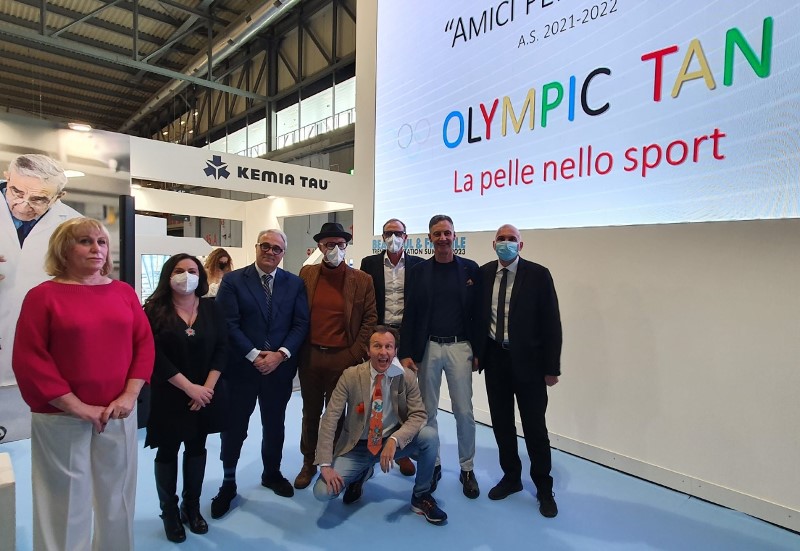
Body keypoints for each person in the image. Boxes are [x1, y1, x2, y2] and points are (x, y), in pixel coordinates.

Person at [12, 217, 154, 551]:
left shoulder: (123, 292)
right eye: (85, 241)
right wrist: (77, 406)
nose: (96, 249)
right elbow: (30, 359)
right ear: (64, 249)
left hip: (118, 412)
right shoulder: (42, 296)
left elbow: (144, 344)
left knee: (117, 497)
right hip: (61, 416)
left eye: (101, 242)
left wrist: (129, 395)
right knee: (63, 500)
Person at [210, 229, 309, 517]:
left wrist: (280, 355)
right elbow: (228, 323)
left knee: (275, 425)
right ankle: (228, 483)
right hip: (241, 369)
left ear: (283, 253)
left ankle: (271, 473)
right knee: (234, 428)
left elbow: (300, 324)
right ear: (256, 247)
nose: (270, 252)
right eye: (265, 246)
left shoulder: (294, 283)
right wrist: (255, 355)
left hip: (278, 369)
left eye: (277, 248)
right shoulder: (233, 281)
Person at [313, 326, 447, 525]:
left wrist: (395, 440)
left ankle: (421, 496)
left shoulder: (406, 376)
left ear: (395, 351)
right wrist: (325, 465)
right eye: (377, 346)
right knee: (322, 492)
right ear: (368, 350)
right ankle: (361, 473)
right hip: (357, 448)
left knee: (430, 436)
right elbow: (330, 418)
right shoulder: (350, 376)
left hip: (390, 444)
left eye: (388, 347)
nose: (383, 352)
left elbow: (418, 415)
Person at [473, 224, 563, 518]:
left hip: (530, 364)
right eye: (501, 239)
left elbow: (551, 323)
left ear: (521, 245)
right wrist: (478, 354)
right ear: (493, 244)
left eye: (512, 239)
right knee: (502, 424)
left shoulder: (539, 275)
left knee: (535, 428)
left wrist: (551, 368)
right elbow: (477, 318)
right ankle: (511, 477)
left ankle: (544, 488)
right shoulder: (484, 274)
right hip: (495, 360)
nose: (506, 243)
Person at [143, 253, 229, 542]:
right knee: (167, 451)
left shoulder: (212, 308)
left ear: (200, 276)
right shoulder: (153, 310)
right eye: (179, 270)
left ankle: (191, 507)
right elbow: (154, 356)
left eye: (192, 270)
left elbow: (222, 348)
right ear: (168, 275)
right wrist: (189, 388)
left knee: (197, 448)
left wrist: (206, 389)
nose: (186, 276)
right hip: (170, 394)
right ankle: (169, 512)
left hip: (204, 394)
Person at [399, 214, 482, 498]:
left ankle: (467, 468)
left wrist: (478, 351)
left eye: (447, 233)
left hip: (461, 347)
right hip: (429, 348)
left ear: (454, 235)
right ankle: (432, 464)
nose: (443, 238)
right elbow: (410, 313)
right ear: (430, 238)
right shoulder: (420, 271)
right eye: (437, 234)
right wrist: (406, 352)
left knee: (464, 411)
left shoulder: (470, 269)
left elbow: (479, 315)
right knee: (427, 411)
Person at [294, 222, 377, 489]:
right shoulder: (307, 274)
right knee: (310, 413)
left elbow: (370, 319)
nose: (335, 250)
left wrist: (353, 355)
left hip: (343, 359)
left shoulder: (362, 280)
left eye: (340, 245)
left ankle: (331, 460)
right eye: (330, 245)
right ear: (320, 247)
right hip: (311, 357)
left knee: (338, 414)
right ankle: (309, 461)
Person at [0, 154, 82, 385]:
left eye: (38, 199)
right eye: (17, 192)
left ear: (58, 197)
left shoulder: (74, 225)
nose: (23, 205)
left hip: (39, 343)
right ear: (7, 178)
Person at [359, 217, 423, 477]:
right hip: (379, 335)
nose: (393, 237)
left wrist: (412, 349)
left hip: (405, 336)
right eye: (388, 233)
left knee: (402, 399)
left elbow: (420, 308)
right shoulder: (369, 263)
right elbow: (365, 302)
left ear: (406, 237)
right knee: (375, 395)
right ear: (382, 237)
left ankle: (401, 452)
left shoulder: (418, 265)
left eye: (398, 233)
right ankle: (369, 451)